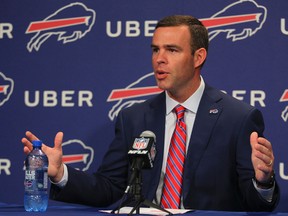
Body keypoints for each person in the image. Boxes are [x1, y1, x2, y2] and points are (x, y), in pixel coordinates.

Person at [22, 15, 279, 211]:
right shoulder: (134, 118)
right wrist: (60, 173)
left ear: (198, 56)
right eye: (155, 49)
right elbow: (109, 188)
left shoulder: (238, 117)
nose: (159, 59)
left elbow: (256, 204)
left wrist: (263, 182)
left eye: (172, 50)